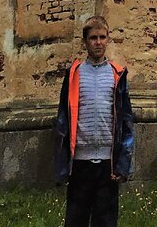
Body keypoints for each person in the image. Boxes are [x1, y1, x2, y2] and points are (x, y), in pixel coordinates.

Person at [54, 16, 135, 227]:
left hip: (108, 160)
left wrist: (123, 163)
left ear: (108, 39)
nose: (98, 42)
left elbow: (126, 120)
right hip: (80, 161)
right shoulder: (74, 74)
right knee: (75, 217)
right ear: (85, 41)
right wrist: (64, 164)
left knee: (106, 219)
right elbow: (63, 119)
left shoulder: (117, 75)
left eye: (102, 37)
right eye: (93, 38)